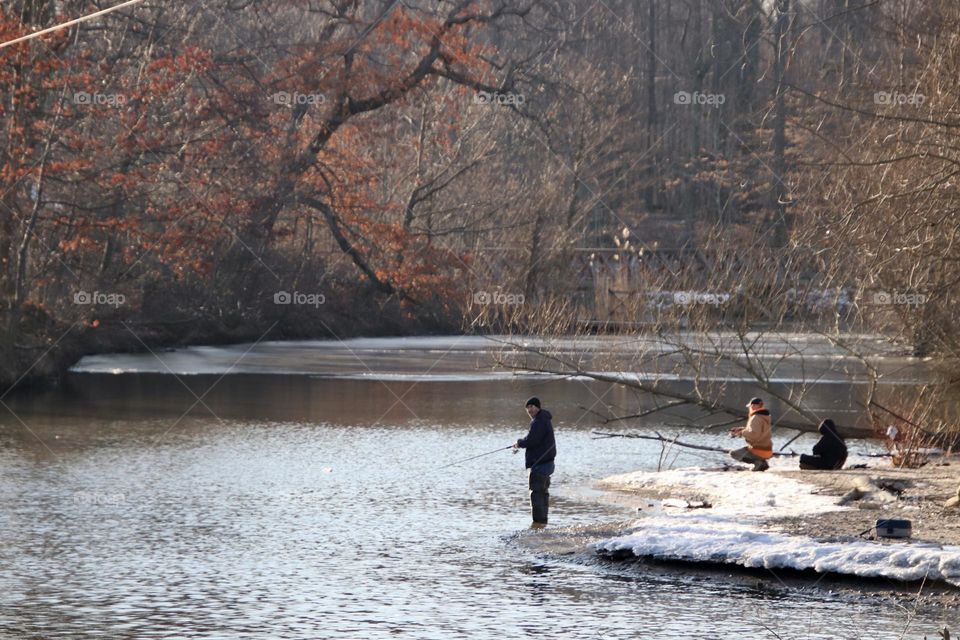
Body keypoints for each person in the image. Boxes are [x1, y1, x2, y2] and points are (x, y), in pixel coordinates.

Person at [513, 397, 556, 528]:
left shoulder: (539, 421)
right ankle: (542, 523)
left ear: (538, 407)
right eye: (528, 407)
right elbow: (532, 437)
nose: (530, 409)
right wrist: (520, 443)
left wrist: (520, 443)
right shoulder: (542, 419)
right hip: (546, 463)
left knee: (537, 494)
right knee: (543, 494)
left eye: (532, 406)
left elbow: (532, 440)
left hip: (540, 464)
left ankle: (538, 525)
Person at [729, 397, 774, 471]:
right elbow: (758, 432)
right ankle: (762, 463)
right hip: (767, 450)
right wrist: (742, 429)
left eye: (750, 406)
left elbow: (754, 435)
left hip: (758, 450)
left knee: (733, 453)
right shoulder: (765, 416)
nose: (750, 408)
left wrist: (741, 432)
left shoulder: (755, 417)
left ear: (754, 406)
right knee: (744, 450)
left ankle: (758, 463)